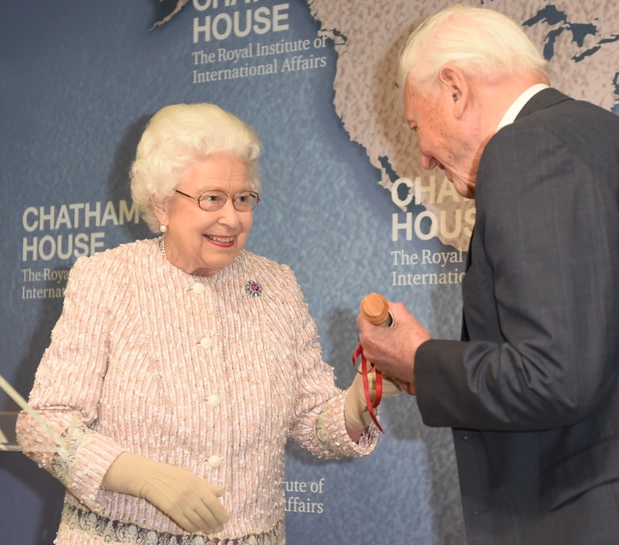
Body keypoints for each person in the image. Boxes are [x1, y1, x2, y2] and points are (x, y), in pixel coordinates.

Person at [356, 5, 619, 545]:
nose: (424, 157)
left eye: (417, 126)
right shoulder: (612, 140)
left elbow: (554, 374)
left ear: (456, 89)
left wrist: (419, 360)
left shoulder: (528, 149)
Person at [17, 102, 398, 545]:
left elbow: (311, 420)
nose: (232, 218)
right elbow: (42, 425)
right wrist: (137, 475)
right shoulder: (107, 279)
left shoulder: (276, 285)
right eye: (211, 198)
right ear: (162, 205)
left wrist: (357, 403)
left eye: (243, 199)